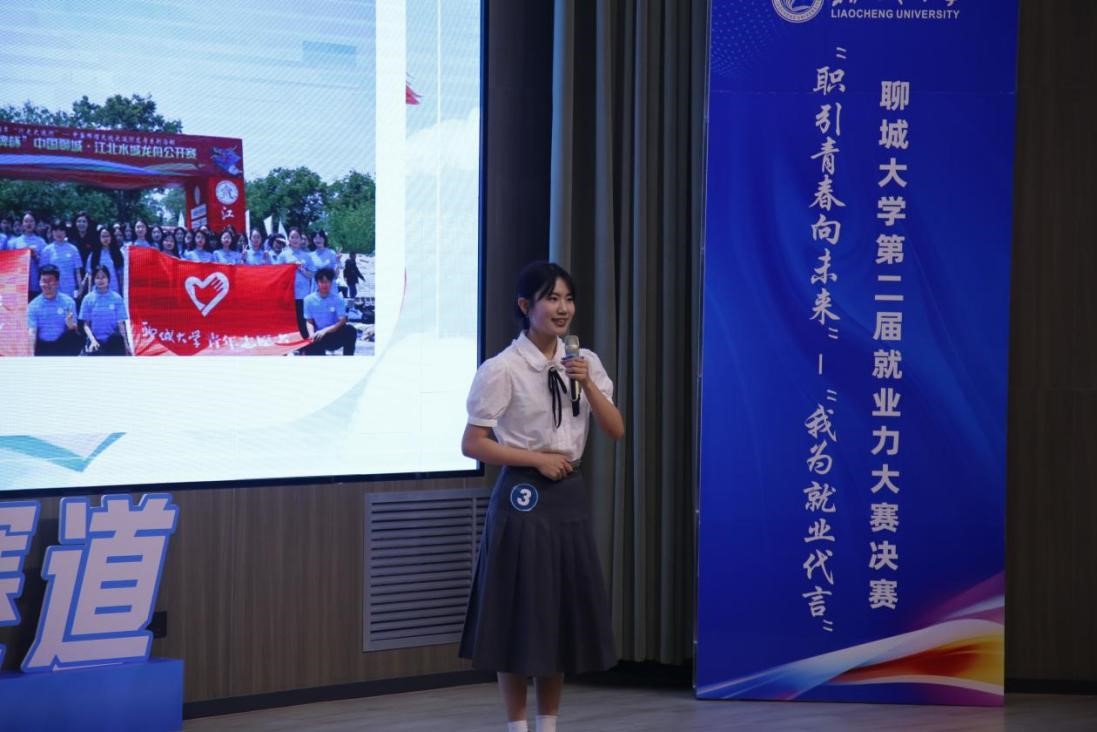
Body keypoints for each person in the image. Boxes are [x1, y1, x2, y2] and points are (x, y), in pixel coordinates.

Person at [459, 261, 624, 732]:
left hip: (568, 494)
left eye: (568, 298)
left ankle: (548, 724)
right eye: (552, 298)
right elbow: (473, 443)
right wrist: (535, 460)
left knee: (557, 612)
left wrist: (586, 381)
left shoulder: (584, 361)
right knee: (517, 613)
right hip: (522, 496)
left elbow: (615, 429)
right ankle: (517, 725)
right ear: (525, 306)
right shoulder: (502, 369)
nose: (563, 308)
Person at [27, 265, 81, 356]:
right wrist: (31, 356)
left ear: (57, 282)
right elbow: (32, 331)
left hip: (62, 345)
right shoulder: (33, 305)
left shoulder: (68, 302)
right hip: (42, 346)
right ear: (39, 282)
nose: (47, 284)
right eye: (44, 281)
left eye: (50, 281)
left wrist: (71, 325)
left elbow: (74, 329)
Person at [301, 268, 356, 355]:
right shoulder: (308, 300)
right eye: (322, 282)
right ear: (317, 283)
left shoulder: (338, 299)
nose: (325, 285)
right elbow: (309, 321)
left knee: (351, 330)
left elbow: (342, 320)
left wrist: (325, 331)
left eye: (327, 282)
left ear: (331, 283)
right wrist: (311, 334)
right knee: (308, 336)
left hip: (334, 333)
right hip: (318, 335)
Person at [79, 265, 130, 355]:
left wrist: (126, 345)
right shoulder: (88, 299)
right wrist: (93, 340)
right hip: (95, 340)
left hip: (112, 340)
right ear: (94, 280)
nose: (101, 280)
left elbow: (121, 324)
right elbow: (86, 325)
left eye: (103, 277)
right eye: (97, 277)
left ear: (108, 279)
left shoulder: (117, 298)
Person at [276, 227, 315, 337]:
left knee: (303, 322)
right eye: (292, 237)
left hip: (303, 295)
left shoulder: (307, 256)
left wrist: (302, 269)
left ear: (301, 239)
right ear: (288, 239)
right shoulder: (283, 255)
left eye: (297, 237)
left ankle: (305, 344)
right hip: (288, 295)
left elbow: (312, 275)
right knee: (289, 323)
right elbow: (277, 274)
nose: (294, 240)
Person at [6, 212, 47, 301]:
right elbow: (9, 266)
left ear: (35, 223)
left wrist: (35, 256)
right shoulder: (13, 242)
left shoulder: (41, 242)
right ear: (22, 224)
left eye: (31, 221)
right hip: (18, 283)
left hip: (36, 284)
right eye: (26, 221)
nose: (29, 224)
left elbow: (45, 265)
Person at [40, 219, 82, 299]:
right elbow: (42, 273)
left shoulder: (73, 249)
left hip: (69, 289)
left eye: (61, 230)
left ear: (65, 232)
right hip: (52, 288)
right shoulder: (47, 250)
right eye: (55, 230)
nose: (58, 233)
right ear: (52, 232)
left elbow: (77, 272)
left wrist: (80, 288)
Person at [86, 226, 125, 295]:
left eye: (107, 236)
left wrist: (123, 292)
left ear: (111, 237)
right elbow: (90, 276)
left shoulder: (118, 254)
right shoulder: (94, 255)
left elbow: (121, 276)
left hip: (114, 290)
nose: (105, 239)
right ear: (99, 238)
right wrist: (89, 292)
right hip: (97, 291)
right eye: (103, 236)